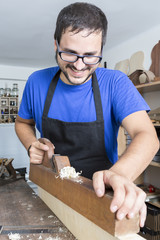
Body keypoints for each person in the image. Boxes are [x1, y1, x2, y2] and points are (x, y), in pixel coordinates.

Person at [15, 2, 159, 228]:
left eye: (91, 56)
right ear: (56, 45)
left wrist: (120, 174)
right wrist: (31, 143)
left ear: (101, 50)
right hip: (50, 190)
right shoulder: (36, 82)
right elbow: (23, 122)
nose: (80, 66)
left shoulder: (115, 83)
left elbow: (147, 136)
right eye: (69, 54)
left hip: (100, 196)